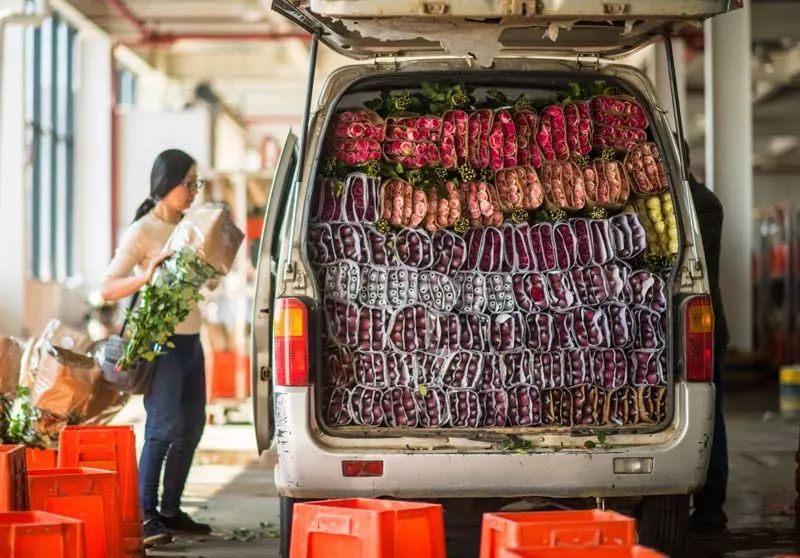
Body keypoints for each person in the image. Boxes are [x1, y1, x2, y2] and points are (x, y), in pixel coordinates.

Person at [101, 149, 211, 546]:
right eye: (189, 183)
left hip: (191, 341)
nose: (194, 191)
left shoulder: (190, 227)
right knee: (164, 427)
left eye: (198, 183)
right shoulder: (142, 231)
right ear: (167, 184)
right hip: (158, 342)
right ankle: (145, 514)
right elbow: (107, 286)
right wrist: (146, 275)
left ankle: (170, 510)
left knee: (193, 426)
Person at [678, 137, 730, 531]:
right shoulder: (692, 198)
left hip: (703, 328)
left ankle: (712, 502)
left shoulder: (702, 203)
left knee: (710, 412)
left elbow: (696, 261)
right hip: (687, 326)